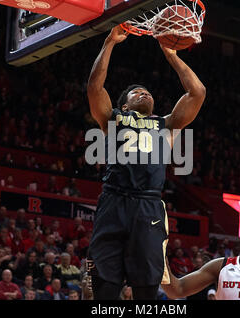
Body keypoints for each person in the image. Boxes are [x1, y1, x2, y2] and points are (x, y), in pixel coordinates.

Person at [87, 25, 205, 300]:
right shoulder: (113, 119)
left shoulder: (167, 124)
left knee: (146, 288)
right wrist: (109, 43)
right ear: (125, 106)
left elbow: (197, 92)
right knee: (104, 285)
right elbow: (95, 86)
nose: (144, 93)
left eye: (148, 92)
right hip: (114, 200)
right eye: (136, 92)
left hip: (148, 205)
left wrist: (172, 54)